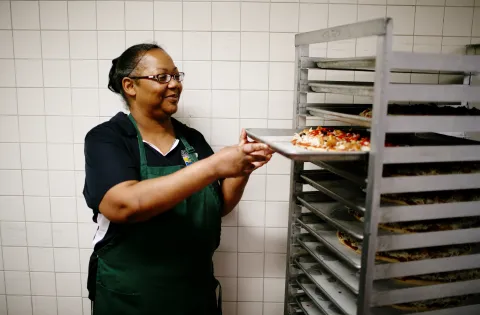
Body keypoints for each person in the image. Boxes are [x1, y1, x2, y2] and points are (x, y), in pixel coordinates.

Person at [83, 43, 274, 315]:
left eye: (176, 76)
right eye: (162, 77)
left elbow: (217, 206)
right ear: (130, 86)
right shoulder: (108, 139)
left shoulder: (191, 140)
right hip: (131, 297)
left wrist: (243, 168)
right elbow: (122, 205)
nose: (174, 85)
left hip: (193, 293)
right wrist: (213, 166)